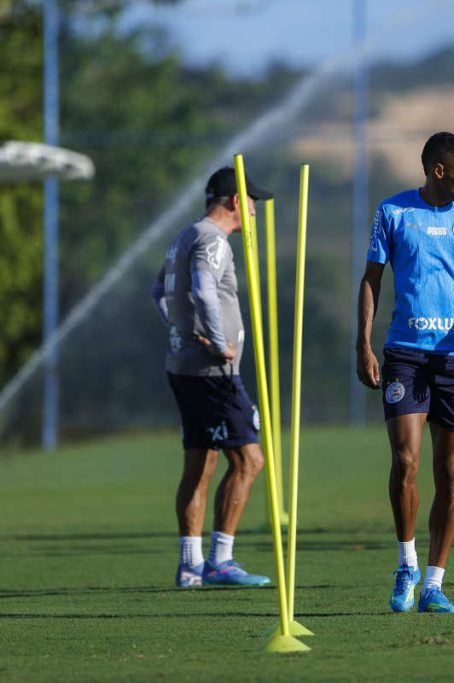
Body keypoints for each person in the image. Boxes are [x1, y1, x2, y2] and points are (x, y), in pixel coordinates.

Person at [357, 132, 454, 614]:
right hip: (406, 353)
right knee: (406, 461)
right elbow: (372, 279)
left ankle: (435, 584)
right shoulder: (393, 212)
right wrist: (364, 342)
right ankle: (406, 563)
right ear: (439, 171)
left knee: (453, 468)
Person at [152, 166, 274, 588]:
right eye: (253, 202)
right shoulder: (211, 239)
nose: (256, 212)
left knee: (200, 463)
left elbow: (158, 292)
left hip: (184, 367)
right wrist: (218, 341)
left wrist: (182, 331)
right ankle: (220, 560)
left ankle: (190, 566)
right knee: (249, 459)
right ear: (237, 202)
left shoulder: (184, 237)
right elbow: (204, 289)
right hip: (212, 371)